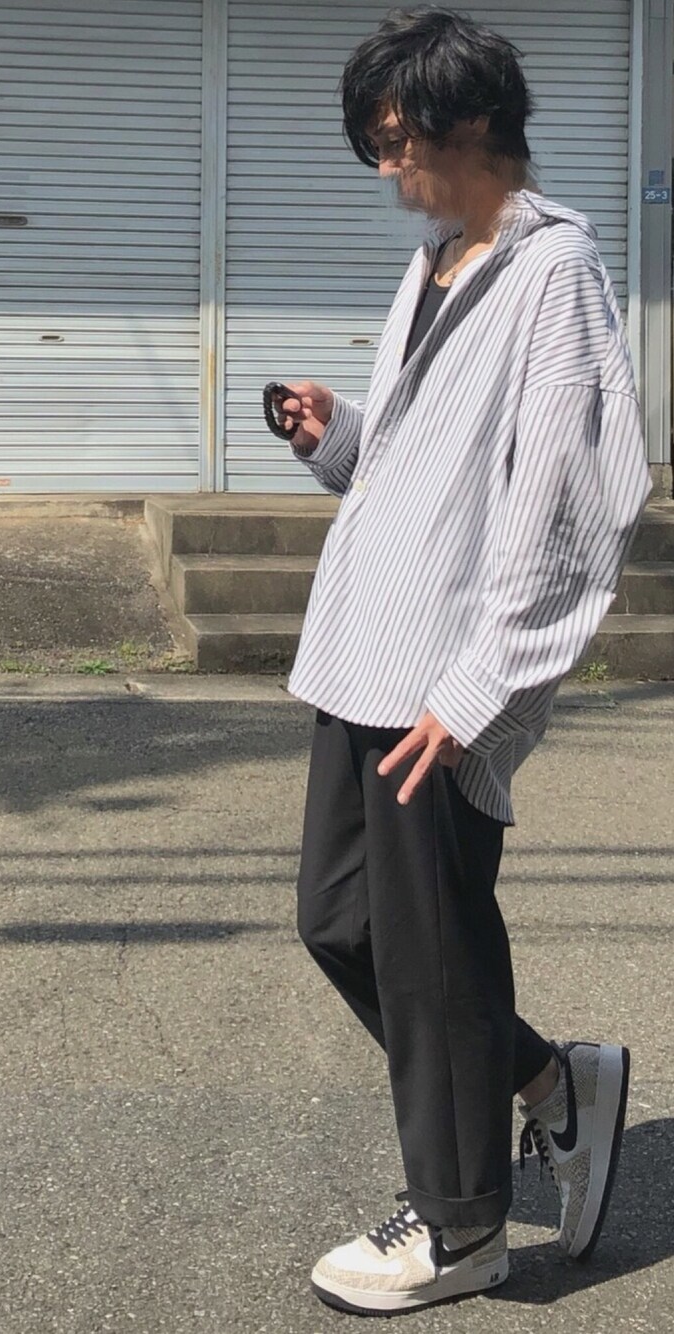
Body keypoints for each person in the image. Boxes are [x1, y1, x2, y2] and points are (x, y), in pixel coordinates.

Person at [273, 7, 652, 1317]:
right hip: (362, 649)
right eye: (377, 144)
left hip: (441, 678)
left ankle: (462, 1227)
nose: (389, 167)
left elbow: (577, 501)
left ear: (474, 120)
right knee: (340, 923)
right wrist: (340, 438)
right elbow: (425, 463)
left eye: (400, 141)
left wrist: (483, 685)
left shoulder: (556, 273)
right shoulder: (438, 259)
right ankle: (551, 1081)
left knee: (430, 956)